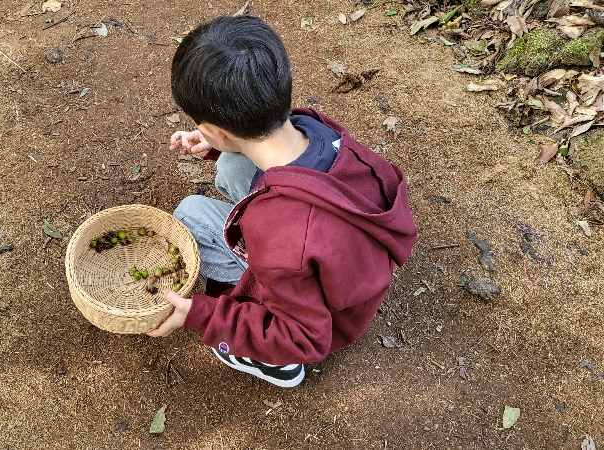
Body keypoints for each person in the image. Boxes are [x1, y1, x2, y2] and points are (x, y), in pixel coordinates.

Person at [146, 15, 417, 388]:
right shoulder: (317, 130)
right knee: (232, 166)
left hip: (321, 313)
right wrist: (221, 145)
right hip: (349, 265)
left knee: (190, 215)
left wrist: (204, 314)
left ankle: (277, 366)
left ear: (217, 130)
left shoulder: (281, 235)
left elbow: (304, 336)